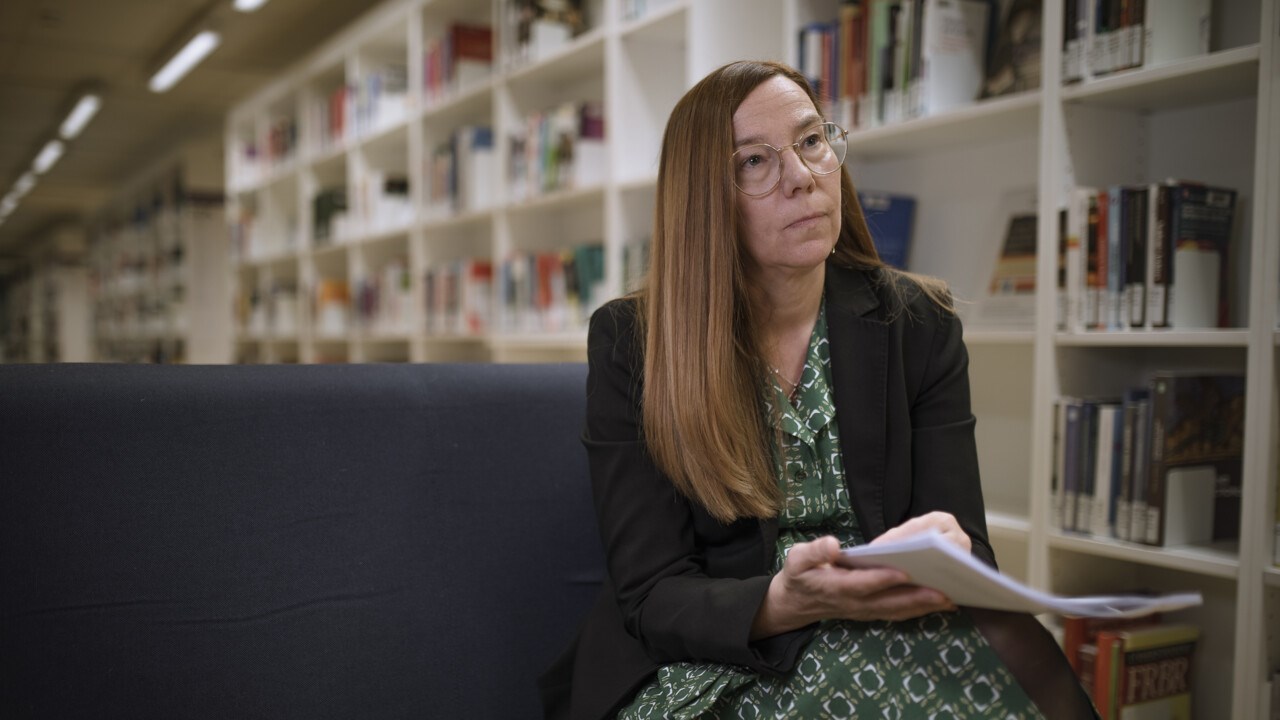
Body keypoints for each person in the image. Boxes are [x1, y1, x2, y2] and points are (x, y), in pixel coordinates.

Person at [540, 60, 1095, 720]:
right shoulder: (635, 341)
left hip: (884, 637)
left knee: (1028, 674)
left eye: (811, 141)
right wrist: (789, 599)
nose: (803, 178)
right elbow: (652, 596)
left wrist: (950, 546)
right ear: (703, 198)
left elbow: (966, 538)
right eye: (754, 161)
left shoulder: (918, 322)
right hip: (711, 657)